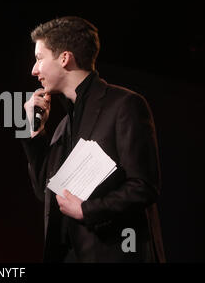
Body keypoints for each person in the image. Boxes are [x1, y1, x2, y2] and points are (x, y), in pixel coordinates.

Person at [22, 16, 165, 262]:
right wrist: (35, 132)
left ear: (64, 58)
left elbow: (143, 186)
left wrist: (86, 210)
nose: (34, 70)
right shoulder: (64, 125)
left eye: (39, 58)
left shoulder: (124, 105)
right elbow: (43, 191)